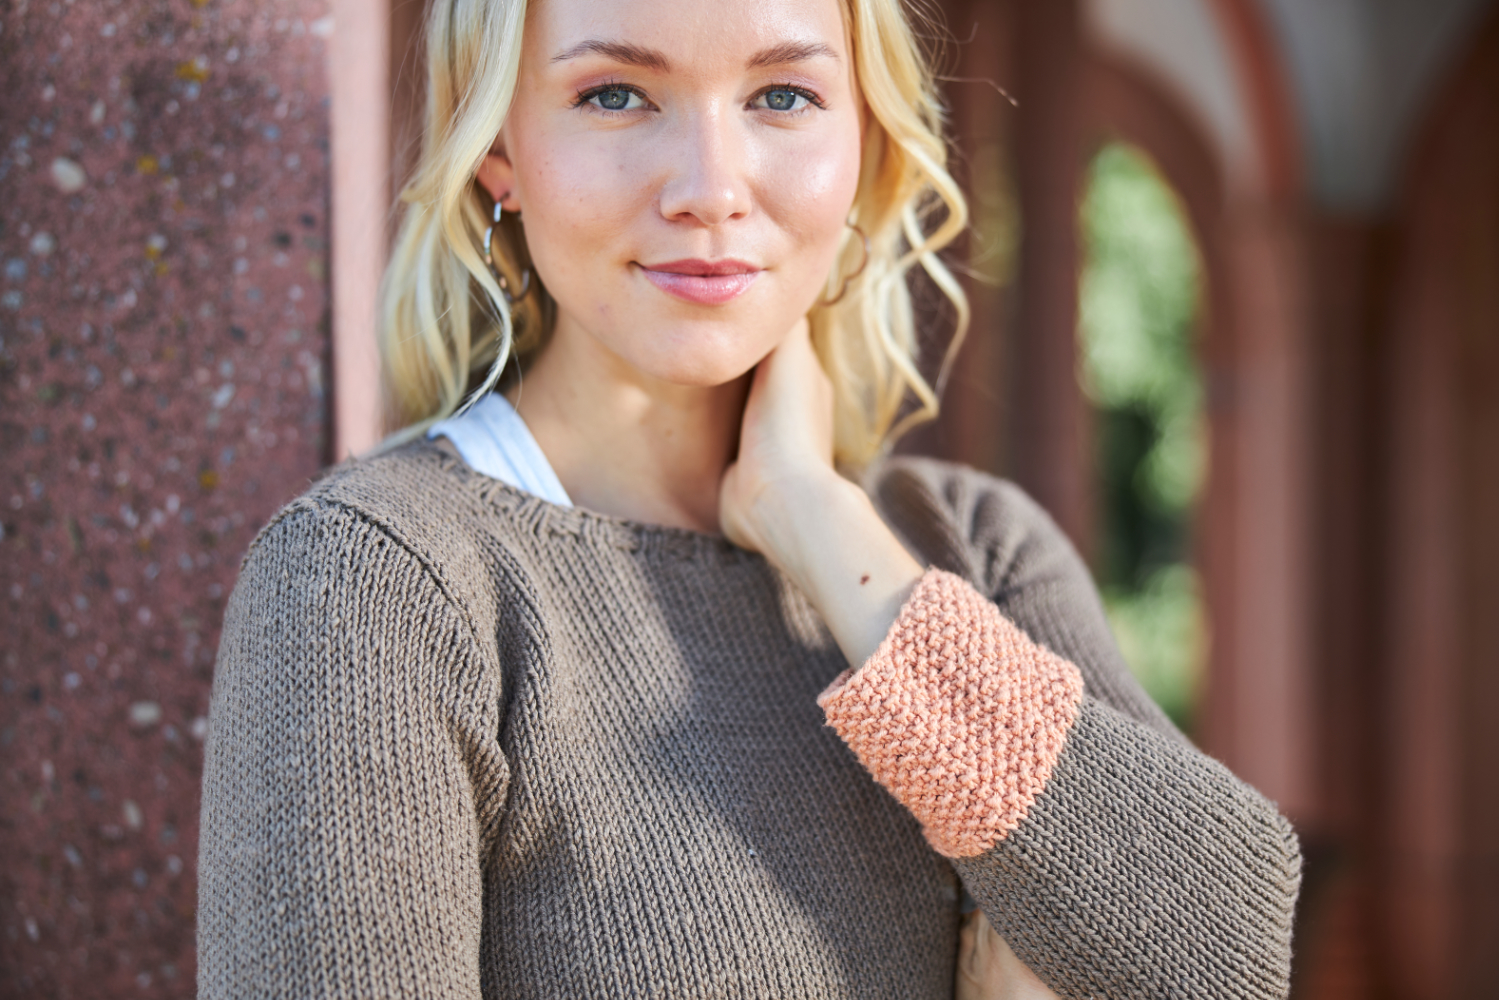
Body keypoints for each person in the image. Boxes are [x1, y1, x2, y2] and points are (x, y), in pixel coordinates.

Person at [196, 0, 1302, 995]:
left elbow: (1227, 950)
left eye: (783, 95)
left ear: (860, 143)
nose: (710, 190)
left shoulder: (965, 548)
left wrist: (813, 523)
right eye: (614, 94)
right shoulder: (379, 579)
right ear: (499, 153)